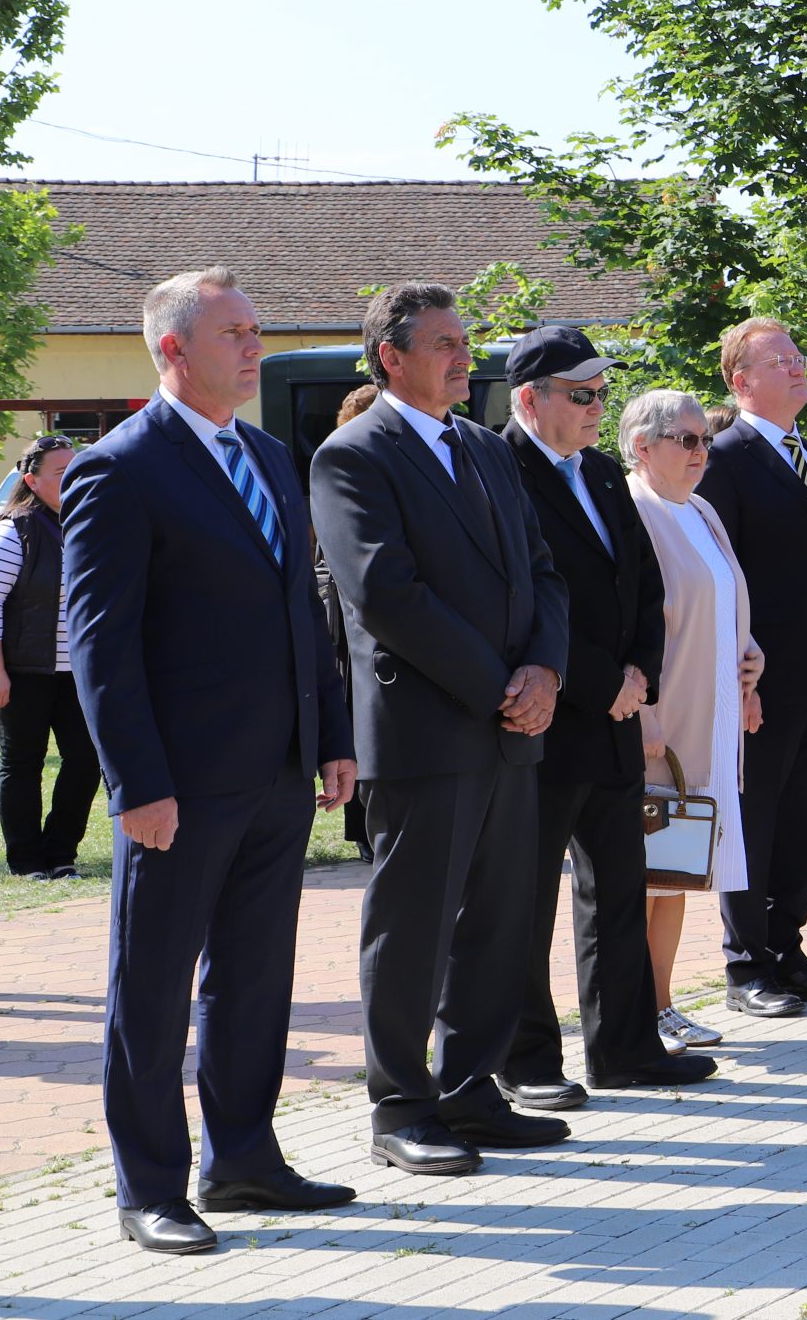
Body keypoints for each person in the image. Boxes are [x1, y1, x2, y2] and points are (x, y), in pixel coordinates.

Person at [61, 268, 357, 1254]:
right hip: (177, 788)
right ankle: (150, 1188)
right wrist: (136, 782)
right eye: (234, 331)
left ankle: (244, 1158)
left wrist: (331, 740)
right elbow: (101, 643)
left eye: (257, 328)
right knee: (151, 987)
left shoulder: (269, 456)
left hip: (274, 775)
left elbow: (302, 611)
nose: (254, 346)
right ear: (174, 349)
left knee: (254, 977)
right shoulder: (121, 467)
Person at [310, 282, 571, 1175]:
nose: (468, 359)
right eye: (446, 344)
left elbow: (544, 572)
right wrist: (503, 682)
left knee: (502, 916)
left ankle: (471, 1089)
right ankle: (401, 1104)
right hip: (426, 729)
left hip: (510, 724)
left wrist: (546, 670)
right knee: (413, 924)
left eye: (469, 342)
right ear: (392, 356)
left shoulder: (486, 449)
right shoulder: (353, 456)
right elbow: (388, 596)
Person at [500, 329, 716, 1107]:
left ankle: (625, 1047)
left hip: (617, 716)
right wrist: (601, 681)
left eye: (602, 393)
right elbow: (521, 597)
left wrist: (642, 675)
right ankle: (525, 1060)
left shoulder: (598, 471)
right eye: (583, 395)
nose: (599, 408)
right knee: (524, 903)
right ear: (532, 398)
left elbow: (642, 586)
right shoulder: (501, 469)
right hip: (545, 721)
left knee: (618, 887)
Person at [694, 318, 807, 1016]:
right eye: (781, 361)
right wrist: (739, 670)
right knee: (752, 819)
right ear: (741, 380)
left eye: (800, 356)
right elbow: (719, 574)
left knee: (801, 816)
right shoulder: (725, 458)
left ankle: (787, 950)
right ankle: (745, 966)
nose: (799, 368)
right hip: (757, 679)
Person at [622, 388, 763, 1048]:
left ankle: (662, 1006)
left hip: (710, 718)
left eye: (704, 438)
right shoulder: (634, 511)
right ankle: (632, 1014)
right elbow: (632, 625)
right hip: (661, 724)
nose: (701, 451)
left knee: (675, 871)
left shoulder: (701, 509)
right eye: (686, 439)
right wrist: (644, 712)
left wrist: (750, 661)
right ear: (642, 445)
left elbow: (727, 598)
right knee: (643, 877)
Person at [0, 432, 100, 881]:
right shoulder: (15, 529)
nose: (74, 477)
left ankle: (61, 853)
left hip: (79, 673)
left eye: (78, 468)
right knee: (23, 765)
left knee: (87, 759)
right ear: (32, 481)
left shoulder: (88, 523)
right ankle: (26, 862)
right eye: (62, 471)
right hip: (22, 672)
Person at [321, 385, 378, 864]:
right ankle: (359, 827)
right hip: (344, 630)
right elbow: (323, 564)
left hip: (368, 625)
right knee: (354, 721)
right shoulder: (338, 471)